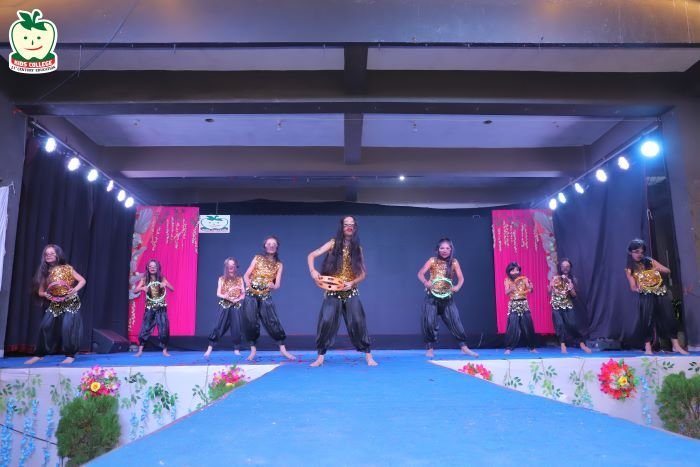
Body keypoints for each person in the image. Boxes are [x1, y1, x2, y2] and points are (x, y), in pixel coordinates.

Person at [307, 216, 378, 367]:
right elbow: (311, 255)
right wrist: (313, 271)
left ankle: (368, 356)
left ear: (355, 228)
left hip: (350, 291)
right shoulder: (332, 243)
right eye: (346, 224)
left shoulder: (358, 249)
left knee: (358, 322)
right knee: (326, 321)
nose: (349, 227)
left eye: (352, 225)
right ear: (342, 227)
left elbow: (363, 273)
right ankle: (320, 358)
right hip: (333, 292)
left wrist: (352, 282)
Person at [625, 238, 688, 355]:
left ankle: (676, 345)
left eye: (642, 252)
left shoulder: (649, 261)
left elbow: (667, 270)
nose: (639, 254)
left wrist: (658, 269)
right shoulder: (630, 268)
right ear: (630, 252)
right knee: (647, 320)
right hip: (646, 295)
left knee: (669, 317)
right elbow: (632, 286)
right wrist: (638, 289)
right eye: (636, 251)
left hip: (660, 292)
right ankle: (648, 347)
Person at [417, 238, 478, 358]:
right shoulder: (432, 260)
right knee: (429, 323)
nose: (444, 250)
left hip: (447, 298)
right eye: (442, 248)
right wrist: (425, 282)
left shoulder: (454, 262)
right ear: (438, 249)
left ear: (451, 250)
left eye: (447, 248)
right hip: (432, 297)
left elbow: (461, 278)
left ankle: (464, 347)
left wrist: (457, 287)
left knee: (455, 321)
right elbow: (420, 273)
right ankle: (429, 349)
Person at [25, 244, 86, 365]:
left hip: (70, 301)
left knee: (68, 327)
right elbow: (41, 292)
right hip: (56, 302)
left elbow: (82, 280)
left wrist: (74, 290)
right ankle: (39, 354)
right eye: (46, 254)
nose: (49, 255)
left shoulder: (67, 268)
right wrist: (46, 295)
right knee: (45, 326)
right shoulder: (45, 272)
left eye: (52, 253)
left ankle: (70, 355)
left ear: (58, 255)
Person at [242, 236, 295, 361]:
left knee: (272, 321)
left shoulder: (278, 264)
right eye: (269, 243)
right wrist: (248, 285)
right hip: (251, 295)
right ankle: (253, 350)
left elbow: (277, 285)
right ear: (265, 246)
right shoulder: (257, 258)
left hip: (265, 294)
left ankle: (283, 350)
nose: (271, 245)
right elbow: (246, 275)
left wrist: (273, 285)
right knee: (250, 322)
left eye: (274, 244)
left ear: (277, 247)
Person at [204, 257, 246, 358]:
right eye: (229, 265)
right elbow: (218, 293)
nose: (231, 267)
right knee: (218, 326)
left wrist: (238, 298)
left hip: (236, 305)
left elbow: (243, 293)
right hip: (225, 304)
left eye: (233, 265)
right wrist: (226, 296)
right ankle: (210, 348)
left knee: (237, 327)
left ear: (235, 266)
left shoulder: (240, 279)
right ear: (226, 267)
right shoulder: (222, 279)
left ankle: (236, 349)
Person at [548, 258, 591, 354]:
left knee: (573, 325)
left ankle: (582, 344)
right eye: (563, 266)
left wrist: (571, 286)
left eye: (567, 266)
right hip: (556, 305)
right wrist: (551, 286)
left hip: (568, 304)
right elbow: (549, 292)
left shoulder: (573, 279)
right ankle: (563, 345)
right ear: (560, 267)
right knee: (560, 325)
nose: (565, 268)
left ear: (570, 268)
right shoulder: (555, 277)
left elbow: (574, 295)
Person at [134, 259, 174, 357]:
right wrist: (142, 288)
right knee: (145, 328)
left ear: (158, 268)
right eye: (150, 266)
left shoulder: (161, 278)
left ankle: (164, 351)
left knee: (164, 329)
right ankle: (140, 351)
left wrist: (166, 284)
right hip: (150, 307)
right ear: (148, 268)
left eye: (154, 266)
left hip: (161, 308)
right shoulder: (145, 279)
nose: (152, 268)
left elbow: (172, 288)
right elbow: (135, 291)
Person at [503, 262, 537, 354]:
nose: (515, 272)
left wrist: (531, 287)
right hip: (514, 304)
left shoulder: (524, 279)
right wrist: (511, 288)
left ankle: (532, 347)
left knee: (528, 326)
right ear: (509, 272)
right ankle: (509, 348)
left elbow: (530, 290)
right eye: (513, 270)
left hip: (524, 303)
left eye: (517, 270)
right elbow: (506, 292)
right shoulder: (507, 280)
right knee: (512, 327)